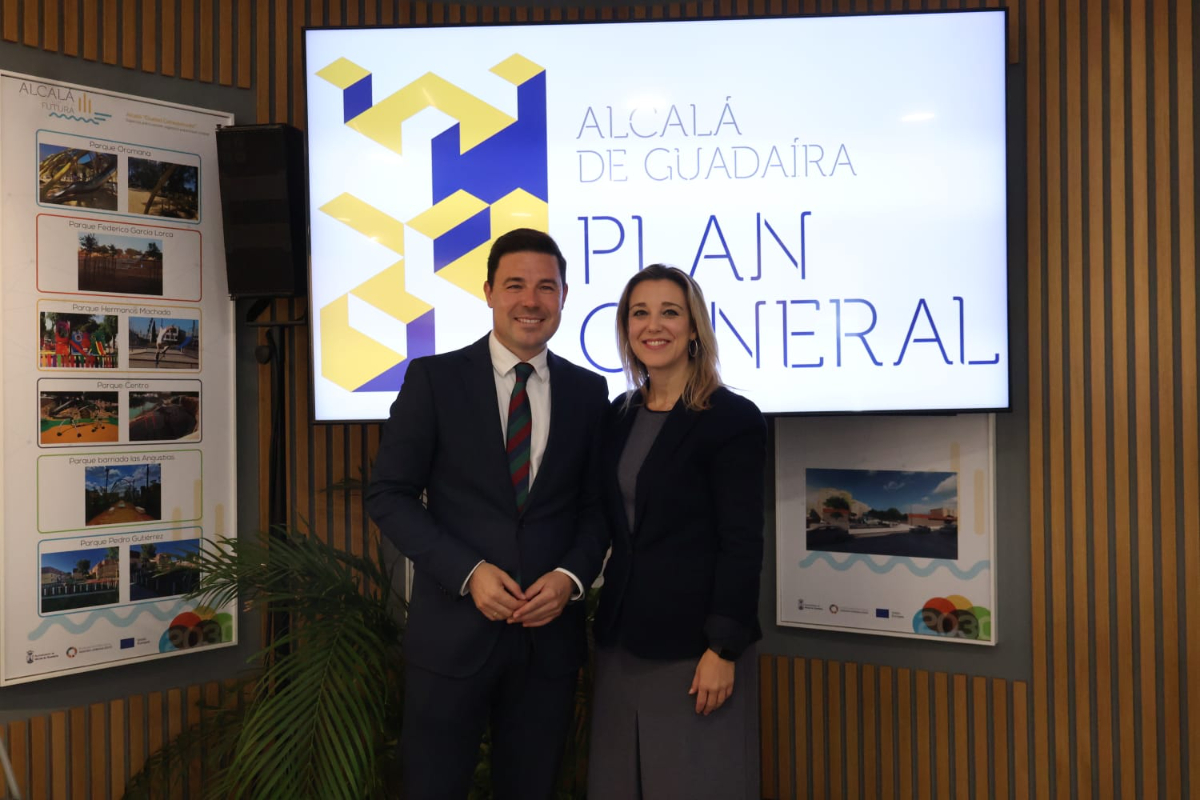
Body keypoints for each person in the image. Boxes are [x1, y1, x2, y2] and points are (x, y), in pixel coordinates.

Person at [366, 228, 610, 800]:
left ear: (564, 296)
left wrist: (570, 577)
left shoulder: (588, 391)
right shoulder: (434, 380)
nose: (531, 300)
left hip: (548, 643)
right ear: (489, 293)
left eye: (546, 287)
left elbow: (597, 508)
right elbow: (389, 494)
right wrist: (468, 572)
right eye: (516, 285)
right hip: (451, 638)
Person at [587, 264, 766, 800]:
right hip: (621, 643)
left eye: (670, 312)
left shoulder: (732, 418)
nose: (654, 325)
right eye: (639, 313)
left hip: (695, 651)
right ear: (626, 329)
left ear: (693, 327)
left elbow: (741, 542)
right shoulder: (619, 415)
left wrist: (723, 649)